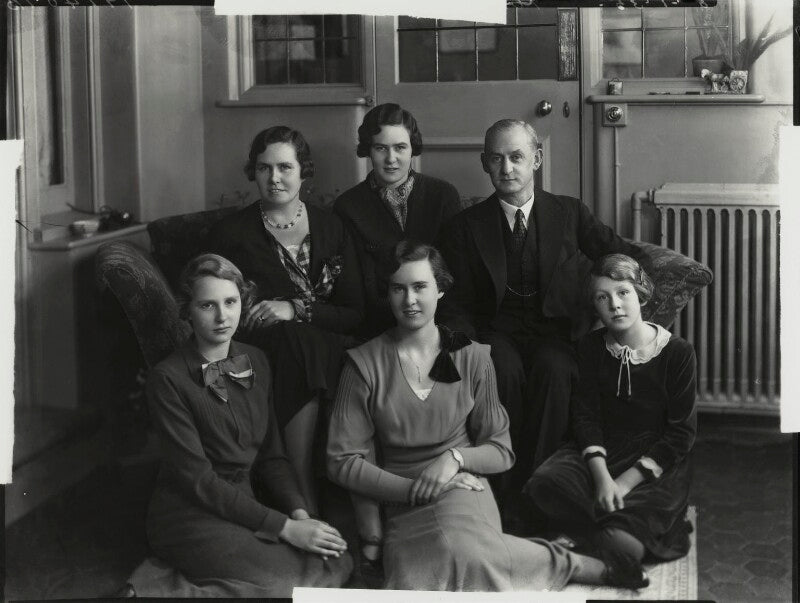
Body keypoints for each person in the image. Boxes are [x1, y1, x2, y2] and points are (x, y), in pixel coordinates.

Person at [327, 241, 649, 592]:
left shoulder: (472, 357)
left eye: (420, 287)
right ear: (387, 294)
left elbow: (501, 450)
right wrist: (412, 489)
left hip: (463, 488)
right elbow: (342, 461)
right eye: (398, 289)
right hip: (396, 495)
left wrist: (455, 458)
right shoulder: (362, 364)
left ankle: (582, 566)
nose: (410, 301)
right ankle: (555, 560)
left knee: (467, 553)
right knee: (414, 581)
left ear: (441, 289)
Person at [438, 119, 649, 488]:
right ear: (484, 162)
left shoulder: (569, 213)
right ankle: (501, 484)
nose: (507, 169)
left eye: (517, 157)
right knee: (500, 370)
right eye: (497, 159)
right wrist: (467, 346)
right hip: (496, 331)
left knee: (555, 370)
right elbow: (456, 300)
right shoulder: (466, 226)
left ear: (536, 159)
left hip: (555, 331)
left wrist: (639, 286)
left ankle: (537, 485)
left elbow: (620, 253)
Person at [135, 254, 352, 598]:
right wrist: (284, 527)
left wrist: (300, 514)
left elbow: (272, 457)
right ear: (187, 310)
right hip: (190, 513)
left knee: (336, 563)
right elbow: (198, 481)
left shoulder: (256, 361)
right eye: (208, 305)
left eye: (231, 302)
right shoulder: (168, 379)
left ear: (242, 302)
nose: (223, 316)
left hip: (243, 505)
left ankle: (184, 582)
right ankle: (155, 591)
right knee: (290, 586)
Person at [208, 126, 363, 513]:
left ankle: (305, 490)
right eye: (264, 168)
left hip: (329, 339)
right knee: (295, 341)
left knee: (302, 338)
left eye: (284, 167)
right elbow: (213, 303)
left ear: (303, 171)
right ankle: (301, 488)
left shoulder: (331, 226)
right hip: (264, 347)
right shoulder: (231, 233)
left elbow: (356, 311)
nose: (274, 178)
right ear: (253, 171)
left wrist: (296, 309)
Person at [525, 254, 696, 563]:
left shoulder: (677, 352)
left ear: (641, 295)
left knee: (623, 546)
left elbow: (680, 433)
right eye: (602, 298)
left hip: (654, 461)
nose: (614, 305)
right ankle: (600, 525)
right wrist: (602, 478)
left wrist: (623, 483)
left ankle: (599, 533)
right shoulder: (591, 348)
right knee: (542, 484)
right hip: (603, 450)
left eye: (623, 293)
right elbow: (586, 416)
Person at [335, 103, 461, 338]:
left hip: (440, 318)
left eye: (400, 147)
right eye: (381, 148)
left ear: (412, 148)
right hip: (379, 324)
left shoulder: (442, 196)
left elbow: (455, 274)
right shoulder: (348, 206)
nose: (391, 159)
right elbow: (358, 288)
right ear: (368, 150)